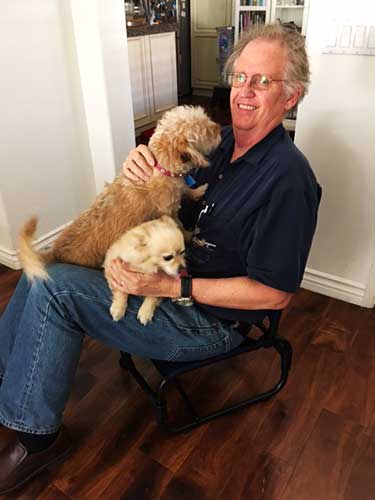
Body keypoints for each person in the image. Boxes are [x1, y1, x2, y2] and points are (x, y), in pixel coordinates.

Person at [0, 23, 319, 493]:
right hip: (172, 273)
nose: (245, 92)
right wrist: (142, 164)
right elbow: (185, 190)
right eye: (240, 77)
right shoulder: (228, 143)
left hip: (208, 322)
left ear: (292, 96)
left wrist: (169, 287)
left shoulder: (288, 181)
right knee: (41, 271)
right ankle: (9, 381)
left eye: (263, 81)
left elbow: (275, 295)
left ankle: (34, 437)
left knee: (58, 291)